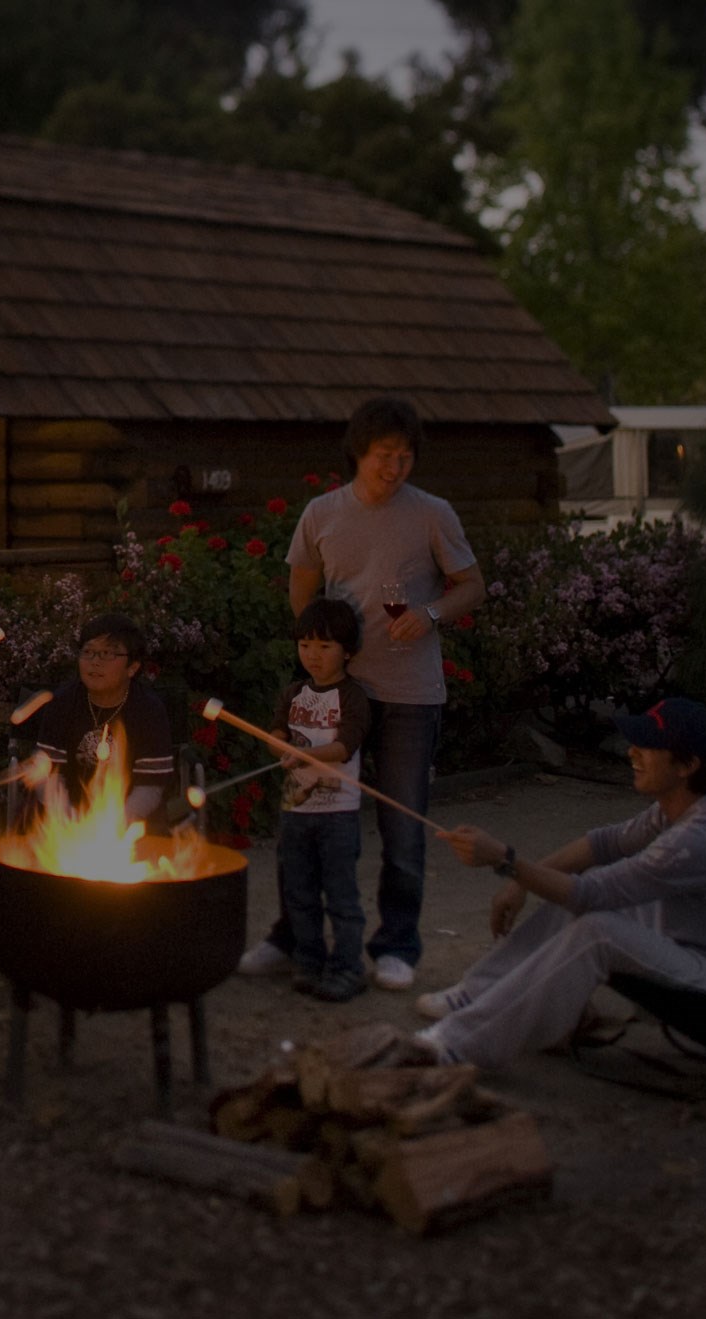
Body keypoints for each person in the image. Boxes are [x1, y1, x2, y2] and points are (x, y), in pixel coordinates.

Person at [240, 396, 485, 991]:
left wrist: (430, 613)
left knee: (402, 825)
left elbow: (471, 586)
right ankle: (291, 935)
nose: (393, 468)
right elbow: (302, 583)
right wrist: (317, 652)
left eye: (404, 457)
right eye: (383, 456)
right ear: (358, 451)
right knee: (306, 817)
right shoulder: (323, 513)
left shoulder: (432, 514)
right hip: (334, 693)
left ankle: (396, 944)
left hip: (408, 693)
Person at [416, 698, 706, 1071]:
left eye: (647, 747)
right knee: (595, 885)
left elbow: (591, 898)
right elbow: (604, 844)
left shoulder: (701, 836)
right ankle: (480, 990)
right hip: (700, 949)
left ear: (688, 765)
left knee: (599, 929)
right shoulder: (680, 806)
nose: (633, 753)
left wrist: (506, 861)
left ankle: (459, 1045)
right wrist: (521, 883)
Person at [270, 599, 373, 1003]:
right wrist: (278, 744)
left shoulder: (352, 696)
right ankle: (308, 960)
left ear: (347, 651)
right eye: (305, 645)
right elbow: (277, 732)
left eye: (325, 646)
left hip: (338, 814)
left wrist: (307, 754)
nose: (313, 654)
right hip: (295, 810)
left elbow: (345, 746)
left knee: (341, 896)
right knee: (299, 892)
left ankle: (348, 967)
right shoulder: (294, 693)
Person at [31, 613, 175, 828]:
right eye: (88, 652)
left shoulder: (149, 711)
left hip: (131, 824)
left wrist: (112, 824)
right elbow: (47, 777)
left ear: (132, 667)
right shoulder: (62, 704)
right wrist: (70, 818)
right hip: (64, 820)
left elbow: (150, 787)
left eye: (107, 653)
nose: (95, 662)